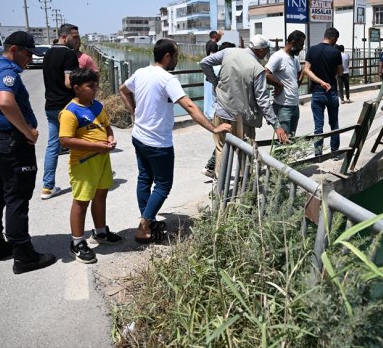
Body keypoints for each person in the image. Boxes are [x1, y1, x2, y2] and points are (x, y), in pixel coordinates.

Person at [119, 39, 231, 243]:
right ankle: (144, 226)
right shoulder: (167, 79)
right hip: (157, 142)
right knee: (163, 185)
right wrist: (213, 128)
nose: (178, 60)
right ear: (167, 56)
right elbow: (188, 106)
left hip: (139, 137)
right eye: (177, 56)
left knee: (144, 179)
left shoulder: (141, 72)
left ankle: (148, 220)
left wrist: (135, 114)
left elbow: (123, 90)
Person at [0, 31, 56, 274]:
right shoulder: (6, 71)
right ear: (14, 49)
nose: (30, 59)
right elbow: (6, 102)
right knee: (17, 197)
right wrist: (28, 132)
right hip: (9, 144)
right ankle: (24, 255)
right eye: (28, 53)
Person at [200, 34, 289, 180]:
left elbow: (204, 63)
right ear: (260, 50)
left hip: (221, 112)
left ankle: (220, 190)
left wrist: (215, 81)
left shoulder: (229, 52)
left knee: (221, 148)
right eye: (266, 50)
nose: (267, 53)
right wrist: (276, 124)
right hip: (243, 119)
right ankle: (245, 189)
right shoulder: (257, 69)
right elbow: (263, 101)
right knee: (245, 153)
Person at [59, 68, 121, 264]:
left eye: (96, 85)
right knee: (81, 201)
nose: (95, 89)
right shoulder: (70, 112)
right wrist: (95, 145)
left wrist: (110, 137)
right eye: (90, 86)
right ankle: (77, 242)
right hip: (84, 163)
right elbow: (65, 140)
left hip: (102, 159)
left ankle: (100, 232)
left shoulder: (97, 106)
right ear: (77, 88)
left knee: (101, 195)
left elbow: (106, 125)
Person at [41, 23, 80, 200]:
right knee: (78, 143)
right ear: (64, 37)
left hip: (50, 106)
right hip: (67, 108)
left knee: (52, 145)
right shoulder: (69, 54)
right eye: (74, 37)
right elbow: (67, 82)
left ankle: (47, 187)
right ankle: (81, 180)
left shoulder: (48, 53)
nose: (76, 40)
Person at [303, 27, 343, 157]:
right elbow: (340, 72)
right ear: (333, 38)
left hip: (317, 91)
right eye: (336, 39)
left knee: (318, 126)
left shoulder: (312, 50)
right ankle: (335, 152)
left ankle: (318, 154)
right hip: (331, 90)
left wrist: (320, 82)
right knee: (334, 124)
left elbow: (306, 70)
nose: (335, 42)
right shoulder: (336, 52)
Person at [201, 41, 235, 179]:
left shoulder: (211, 68)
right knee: (223, 142)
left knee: (222, 141)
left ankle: (214, 169)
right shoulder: (220, 69)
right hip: (220, 109)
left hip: (211, 108)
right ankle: (211, 168)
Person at [265, 30, 306, 137]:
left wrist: (304, 73)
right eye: (301, 44)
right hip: (283, 107)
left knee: (291, 140)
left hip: (294, 105)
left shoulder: (295, 58)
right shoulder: (278, 56)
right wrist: (279, 84)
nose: (302, 47)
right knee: (282, 143)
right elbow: (265, 74)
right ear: (293, 42)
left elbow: (298, 74)